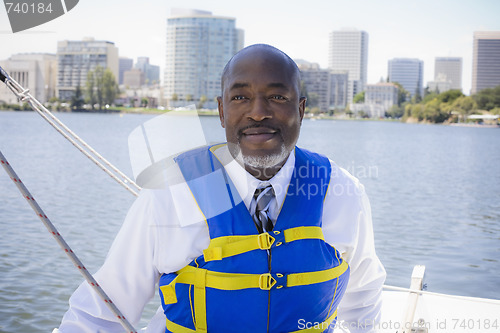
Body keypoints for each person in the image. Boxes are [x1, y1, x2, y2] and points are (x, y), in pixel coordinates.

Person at [58, 44, 386, 333]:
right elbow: (102, 312)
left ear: (300, 109)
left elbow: (364, 294)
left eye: (277, 97)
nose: (258, 112)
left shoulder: (341, 192)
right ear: (221, 110)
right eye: (240, 97)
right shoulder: (171, 191)